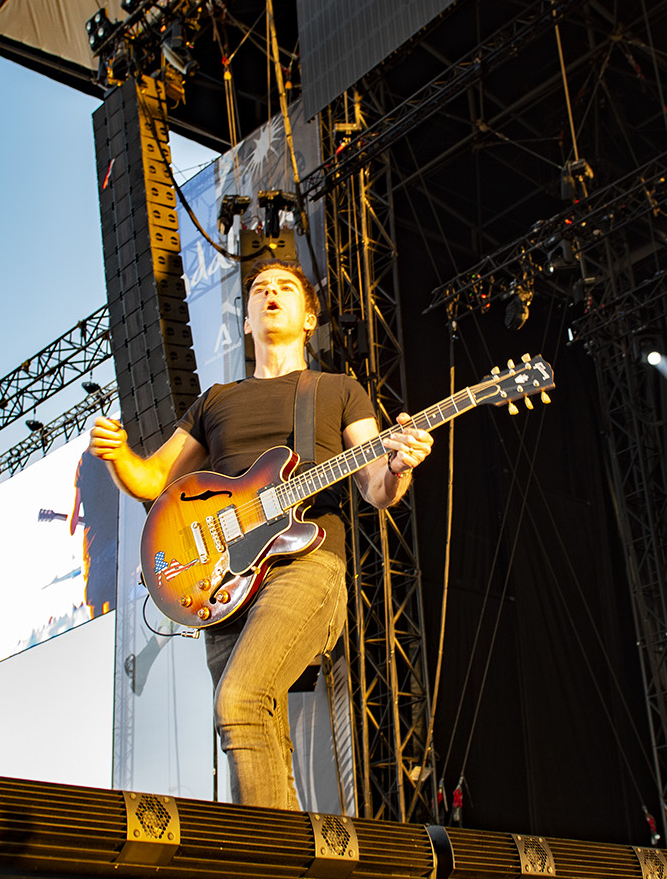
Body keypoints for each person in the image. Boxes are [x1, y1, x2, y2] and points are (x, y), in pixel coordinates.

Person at [89, 261, 432, 811]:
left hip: (307, 564)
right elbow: (154, 479)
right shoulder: (217, 400)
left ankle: (266, 874)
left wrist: (400, 463)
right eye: (259, 289)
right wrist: (118, 455)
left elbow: (376, 487)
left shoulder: (339, 391)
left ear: (307, 318)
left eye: (285, 288)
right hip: (222, 579)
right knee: (252, 724)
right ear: (246, 321)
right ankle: (284, 878)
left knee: (240, 698)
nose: (270, 293)